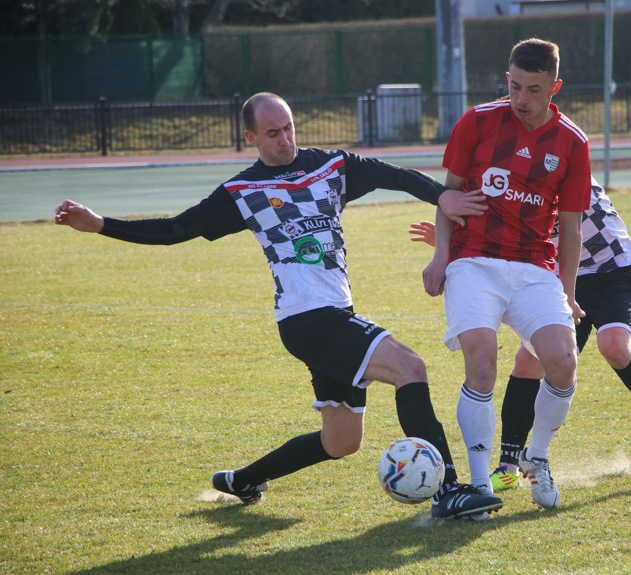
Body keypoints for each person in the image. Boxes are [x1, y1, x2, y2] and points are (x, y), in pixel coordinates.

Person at [53, 92, 503, 521]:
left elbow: (397, 175)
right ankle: (449, 491)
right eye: (272, 133)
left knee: (341, 441)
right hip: (307, 320)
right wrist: (100, 225)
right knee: (411, 366)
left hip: (334, 315)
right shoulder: (241, 190)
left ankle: (242, 480)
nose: (284, 139)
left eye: (288, 128)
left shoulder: (331, 166)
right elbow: (175, 229)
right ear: (250, 137)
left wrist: (441, 196)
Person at [409, 177, 631, 495]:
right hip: (561, 275)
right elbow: (502, 231)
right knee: (528, 360)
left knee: (614, 346)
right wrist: (456, 243)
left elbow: (556, 225)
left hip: (614, 270)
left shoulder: (560, 160)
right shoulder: (513, 173)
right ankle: (510, 463)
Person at [421, 39, 591, 510]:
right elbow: (447, 200)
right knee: (482, 359)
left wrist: (569, 292)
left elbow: (572, 229)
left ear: (554, 88)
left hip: (534, 267)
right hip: (473, 260)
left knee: (563, 360)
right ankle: (479, 486)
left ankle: (535, 459)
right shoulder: (477, 121)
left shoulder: (573, 142)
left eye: (533, 89)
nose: (520, 98)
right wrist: (440, 258)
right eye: (514, 85)